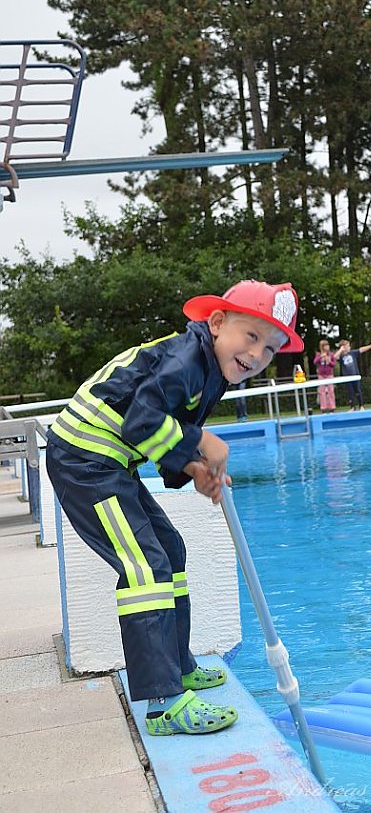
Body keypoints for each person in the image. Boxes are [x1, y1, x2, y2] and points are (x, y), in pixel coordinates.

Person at [45, 280, 303, 737]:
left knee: (170, 550)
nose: (257, 355)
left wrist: (192, 469)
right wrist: (202, 442)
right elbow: (141, 420)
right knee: (145, 568)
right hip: (84, 461)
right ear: (218, 323)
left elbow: (164, 433)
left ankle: (178, 668)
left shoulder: (213, 369)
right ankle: (162, 702)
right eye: (252, 336)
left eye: (271, 349)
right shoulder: (188, 358)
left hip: (112, 463)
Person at [336, 338, 371, 410]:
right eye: (347, 346)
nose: (349, 348)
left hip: (355, 375)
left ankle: (361, 405)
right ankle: (352, 407)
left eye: (348, 346)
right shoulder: (341, 356)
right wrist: (341, 350)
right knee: (350, 392)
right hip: (347, 377)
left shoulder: (352, 353)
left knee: (358, 390)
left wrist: (369, 346)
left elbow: (361, 349)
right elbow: (335, 357)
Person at [313, 338, 337, 412]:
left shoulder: (331, 354)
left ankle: (332, 406)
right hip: (321, 375)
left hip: (329, 374)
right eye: (325, 346)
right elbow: (315, 362)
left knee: (331, 390)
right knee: (322, 391)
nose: (327, 347)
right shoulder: (319, 354)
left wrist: (329, 361)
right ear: (322, 347)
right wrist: (321, 357)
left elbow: (333, 364)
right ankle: (323, 407)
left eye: (328, 345)